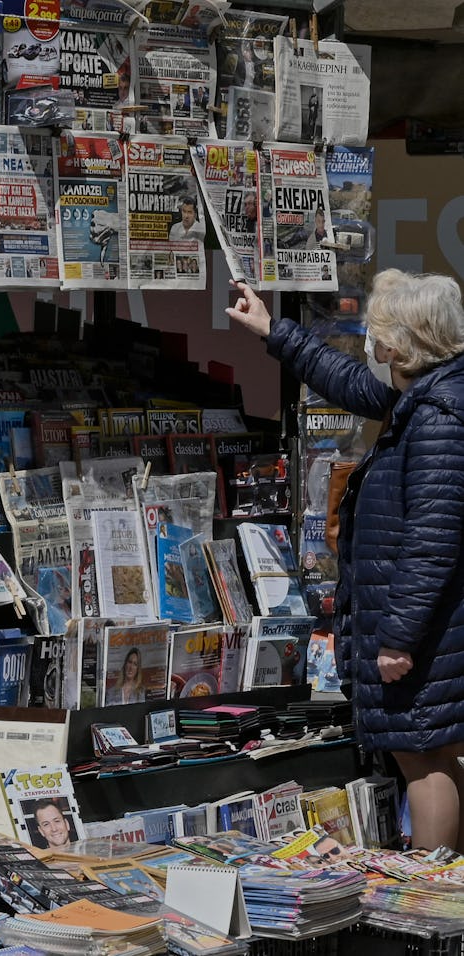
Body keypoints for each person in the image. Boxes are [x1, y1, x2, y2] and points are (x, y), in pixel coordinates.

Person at [225, 269, 464, 853]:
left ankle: (433, 901)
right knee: (426, 750)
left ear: (403, 344)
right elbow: (351, 383)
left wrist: (398, 639)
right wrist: (273, 330)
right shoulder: (424, 394)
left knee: (421, 753)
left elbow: (433, 540)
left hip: (417, 633)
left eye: (379, 336)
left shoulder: (437, 418)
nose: (372, 346)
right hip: (414, 625)